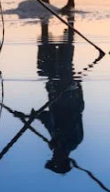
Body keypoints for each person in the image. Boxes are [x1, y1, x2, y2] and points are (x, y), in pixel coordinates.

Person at [36, 21, 84, 174]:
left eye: (52, 158)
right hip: (68, 93)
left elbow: (49, 120)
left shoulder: (55, 142)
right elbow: (71, 119)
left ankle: (45, 27)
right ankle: (70, 24)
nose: (53, 156)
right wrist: (59, 141)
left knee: (44, 67)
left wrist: (33, 116)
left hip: (55, 93)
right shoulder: (74, 141)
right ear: (63, 159)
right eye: (55, 159)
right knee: (64, 63)